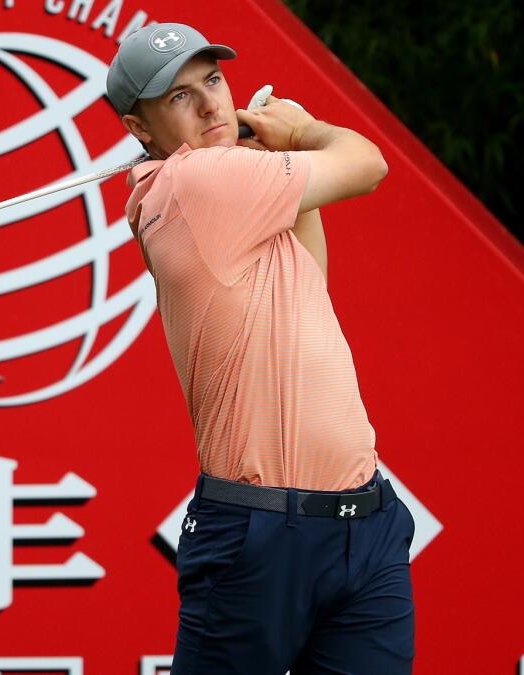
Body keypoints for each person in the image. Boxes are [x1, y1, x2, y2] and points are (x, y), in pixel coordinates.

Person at [105, 22, 417, 674]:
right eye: (180, 97)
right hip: (259, 532)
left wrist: (266, 152)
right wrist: (300, 131)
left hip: (366, 517)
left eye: (213, 80)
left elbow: (309, 284)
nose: (213, 104)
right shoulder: (197, 183)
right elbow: (368, 164)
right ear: (141, 128)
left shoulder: (238, 187)